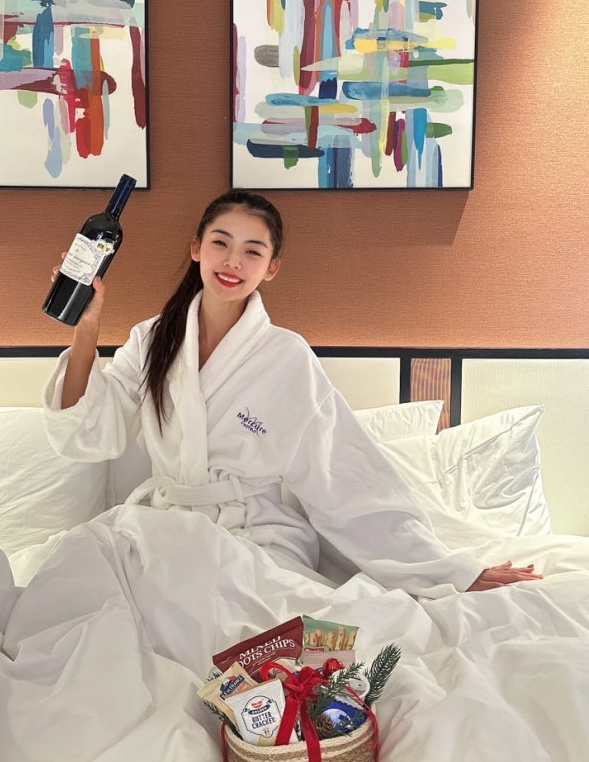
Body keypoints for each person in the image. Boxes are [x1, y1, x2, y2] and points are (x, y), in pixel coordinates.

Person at [43, 189, 542, 597]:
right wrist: (87, 326)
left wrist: (445, 569)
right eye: (220, 243)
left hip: (252, 537)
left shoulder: (287, 357)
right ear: (196, 248)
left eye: (252, 251)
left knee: (213, 606)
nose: (233, 261)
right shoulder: (152, 339)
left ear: (272, 268)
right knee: (76, 583)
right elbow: (89, 432)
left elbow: (343, 471)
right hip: (164, 525)